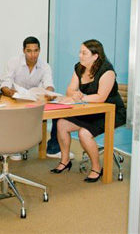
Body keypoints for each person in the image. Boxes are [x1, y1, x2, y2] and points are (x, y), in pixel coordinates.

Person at [50, 39, 126, 182]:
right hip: (91, 109)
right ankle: (65, 161)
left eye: (84, 53)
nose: (80, 55)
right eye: (80, 52)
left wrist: (81, 98)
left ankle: (97, 168)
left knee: (84, 133)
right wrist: (75, 94)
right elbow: (69, 90)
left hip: (111, 111)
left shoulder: (107, 71)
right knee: (61, 124)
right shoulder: (79, 67)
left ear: (95, 56)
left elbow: (101, 97)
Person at [1, 36, 74, 160]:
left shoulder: (45, 66)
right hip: (14, 99)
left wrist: (49, 92)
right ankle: (13, 147)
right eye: (29, 51)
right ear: (23, 50)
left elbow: (49, 84)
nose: (32, 54)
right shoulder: (13, 62)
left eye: (36, 51)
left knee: (59, 112)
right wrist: (9, 92)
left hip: (33, 100)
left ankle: (53, 148)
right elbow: (5, 83)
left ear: (39, 51)